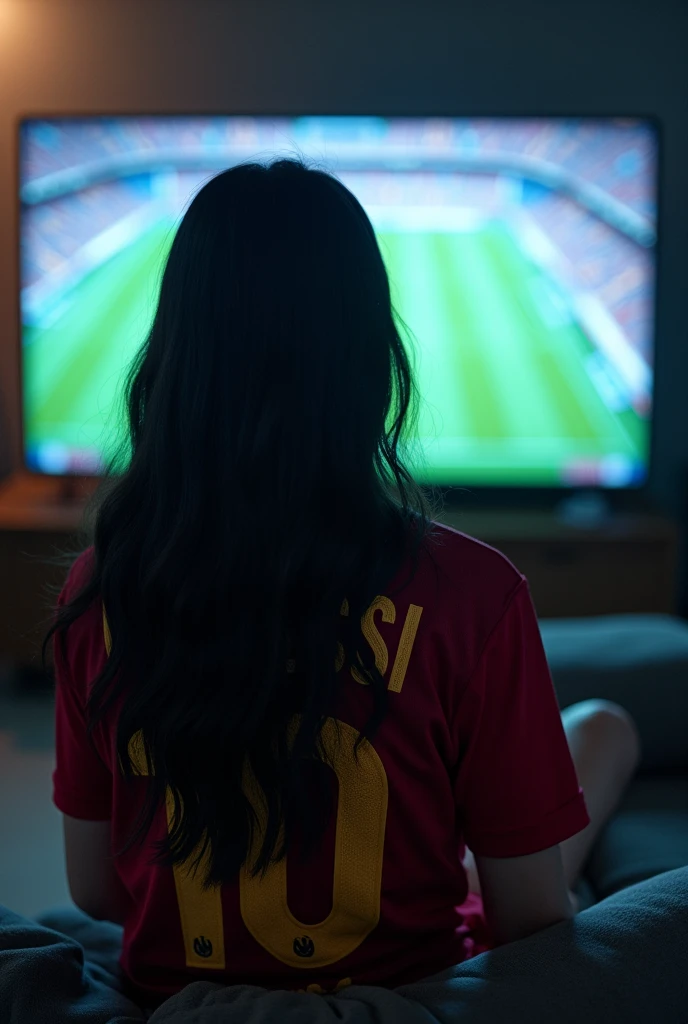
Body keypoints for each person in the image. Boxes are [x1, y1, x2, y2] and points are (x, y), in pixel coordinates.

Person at [41, 158, 641, 1016]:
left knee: (604, 730)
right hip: (411, 992)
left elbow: (96, 891)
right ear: (371, 358)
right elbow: (531, 918)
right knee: (608, 730)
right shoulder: (475, 594)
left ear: (176, 354)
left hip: (169, 988)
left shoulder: (101, 587)